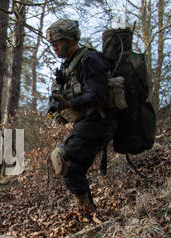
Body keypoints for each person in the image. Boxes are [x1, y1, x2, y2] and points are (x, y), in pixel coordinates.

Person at [45, 19, 117, 212]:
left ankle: (86, 212)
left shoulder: (89, 59)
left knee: (62, 158)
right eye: (52, 44)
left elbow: (98, 94)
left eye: (57, 42)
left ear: (70, 39)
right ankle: (87, 212)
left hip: (99, 121)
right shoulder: (67, 67)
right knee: (72, 168)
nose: (54, 47)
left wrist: (70, 104)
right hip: (85, 124)